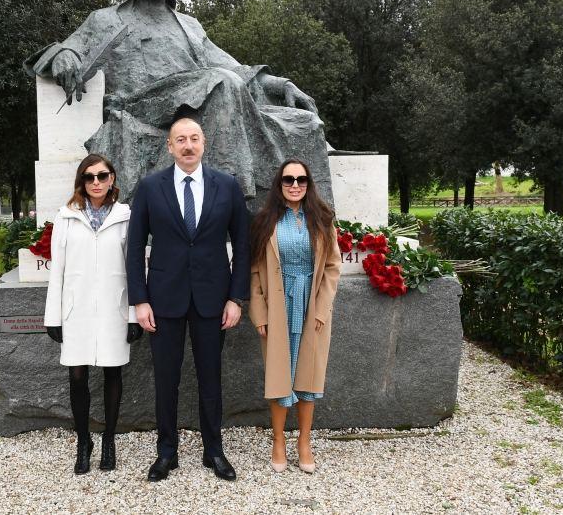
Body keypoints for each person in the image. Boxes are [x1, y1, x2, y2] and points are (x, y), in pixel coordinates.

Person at [25, 0, 334, 209]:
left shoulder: (188, 24)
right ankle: (226, 202)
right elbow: (68, 48)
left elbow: (230, 65)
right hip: (142, 107)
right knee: (222, 84)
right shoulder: (106, 19)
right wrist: (65, 55)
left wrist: (281, 84)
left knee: (304, 122)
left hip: (197, 104)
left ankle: (313, 218)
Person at [126, 117, 250, 482]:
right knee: (166, 380)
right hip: (163, 301)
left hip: (214, 301)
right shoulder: (150, 187)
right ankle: (167, 453)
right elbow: (135, 249)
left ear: (204, 143)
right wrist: (140, 300)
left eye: (194, 138)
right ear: (170, 146)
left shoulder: (226, 186)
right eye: (180, 139)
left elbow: (241, 246)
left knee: (211, 379)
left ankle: (214, 451)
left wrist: (236, 298)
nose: (188, 145)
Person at [44, 154, 143, 474]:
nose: (96, 182)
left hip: (115, 308)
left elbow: (135, 268)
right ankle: (83, 440)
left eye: (102, 176)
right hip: (76, 310)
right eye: (89, 177)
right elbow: (57, 269)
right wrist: (53, 317)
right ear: (81, 182)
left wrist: (132, 314)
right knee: (77, 376)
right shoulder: (66, 217)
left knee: (113, 373)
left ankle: (109, 440)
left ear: (112, 178)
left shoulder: (127, 216)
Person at [248, 159, 341, 474]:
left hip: (311, 306)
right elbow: (255, 271)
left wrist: (323, 309)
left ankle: (304, 441)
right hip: (277, 305)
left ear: (308, 183)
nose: (295, 185)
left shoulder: (323, 220)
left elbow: (332, 267)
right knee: (279, 373)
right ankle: (278, 441)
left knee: (308, 375)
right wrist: (259, 312)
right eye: (288, 179)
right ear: (279, 184)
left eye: (301, 179)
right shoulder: (265, 221)